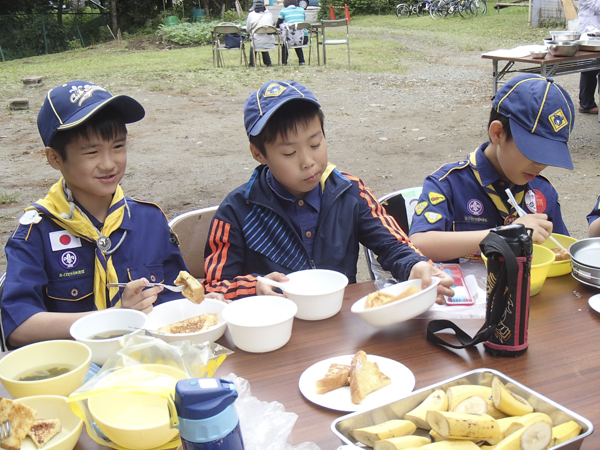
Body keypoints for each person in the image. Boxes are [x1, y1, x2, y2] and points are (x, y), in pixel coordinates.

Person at [203, 80, 454, 301]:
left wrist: (416, 266)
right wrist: (253, 286)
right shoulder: (236, 211)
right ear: (259, 154)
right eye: (290, 153)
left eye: (315, 143)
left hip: (340, 325)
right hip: (274, 333)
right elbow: (213, 287)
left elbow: (393, 244)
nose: (308, 161)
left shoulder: (349, 191)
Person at [1, 81, 188, 348]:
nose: (109, 163)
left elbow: (177, 295)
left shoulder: (149, 220)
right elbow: (18, 326)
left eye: (118, 146)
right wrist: (111, 320)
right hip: (74, 374)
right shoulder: (35, 233)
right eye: (92, 152)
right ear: (55, 159)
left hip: (151, 364)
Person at [408, 74, 574, 263]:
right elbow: (419, 244)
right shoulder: (449, 184)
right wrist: (503, 234)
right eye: (533, 151)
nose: (540, 165)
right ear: (497, 133)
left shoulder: (543, 192)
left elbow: (561, 251)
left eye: (550, 156)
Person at [578, 0, 600, 114]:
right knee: (589, 68)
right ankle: (586, 104)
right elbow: (597, 5)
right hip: (589, 31)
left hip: (596, 30)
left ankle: (587, 102)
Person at [277, 0, 308, 65]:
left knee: (286, 43)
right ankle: (302, 61)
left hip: (290, 39)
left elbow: (278, 24)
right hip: (303, 38)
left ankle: (284, 62)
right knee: (297, 38)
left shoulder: (284, 11)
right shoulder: (301, 10)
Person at [247, 0, 275, 67]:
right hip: (270, 42)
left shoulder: (251, 15)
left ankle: (252, 63)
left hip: (257, 41)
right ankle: (268, 62)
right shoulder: (269, 14)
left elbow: (248, 29)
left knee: (255, 42)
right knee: (263, 39)